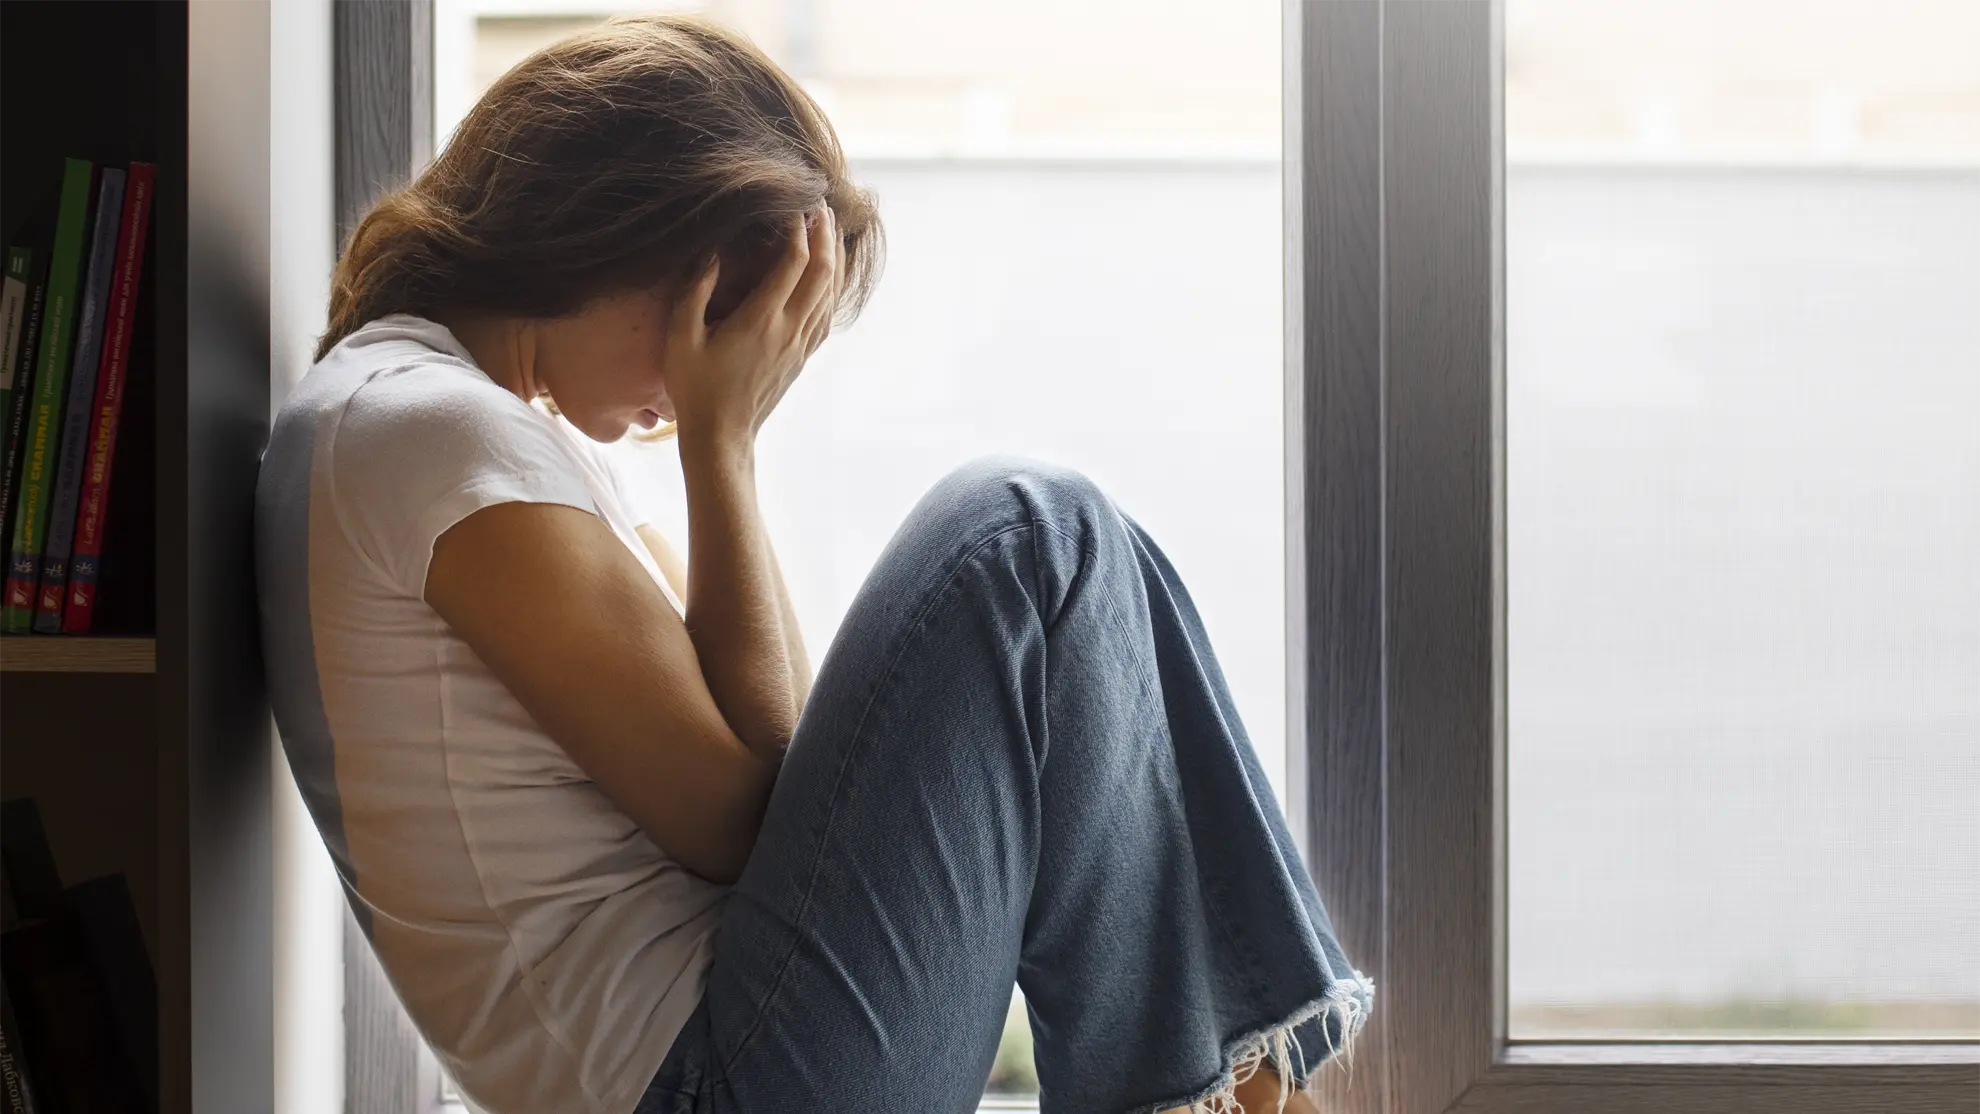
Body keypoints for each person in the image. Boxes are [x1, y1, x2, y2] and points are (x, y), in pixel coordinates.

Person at [256, 14, 1369, 1114]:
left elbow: (773, 779)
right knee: (1029, 534)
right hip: (707, 1084)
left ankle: (1255, 1096)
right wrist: (720, 441)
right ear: (627, 241)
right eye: (724, 330)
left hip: (736, 1053)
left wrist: (722, 443)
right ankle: (1250, 1100)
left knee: (1086, 557)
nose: (694, 387)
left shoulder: (483, 436)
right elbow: (740, 828)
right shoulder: (427, 431)